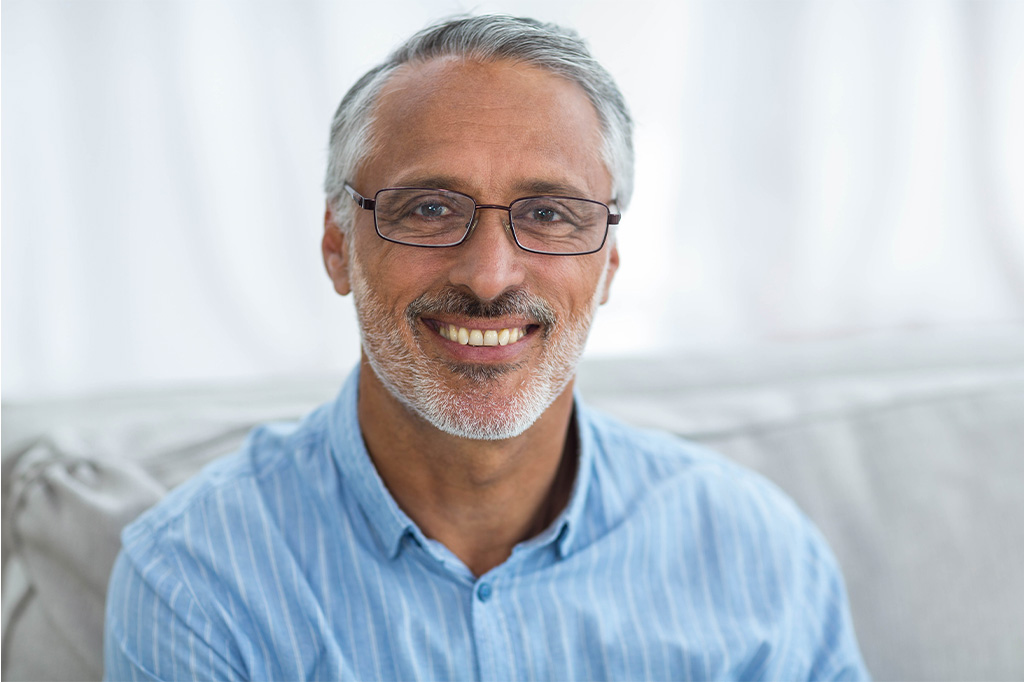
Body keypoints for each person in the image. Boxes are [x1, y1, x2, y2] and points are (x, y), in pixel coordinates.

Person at [104, 15, 868, 681]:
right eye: (430, 208)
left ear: (609, 265)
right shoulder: (195, 577)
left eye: (549, 213)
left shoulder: (757, 555)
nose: (490, 274)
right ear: (338, 246)